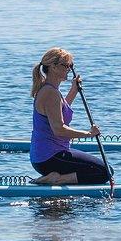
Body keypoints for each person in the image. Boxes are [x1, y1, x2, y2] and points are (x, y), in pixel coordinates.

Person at [30, 47, 111, 185]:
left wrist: (73, 90)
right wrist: (89, 134)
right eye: (66, 65)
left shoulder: (51, 90)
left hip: (46, 156)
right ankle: (57, 179)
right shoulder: (51, 93)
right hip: (49, 158)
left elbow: (59, 111)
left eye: (70, 66)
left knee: (105, 170)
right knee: (104, 172)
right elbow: (59, 129)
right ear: (54, 67)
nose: (69, 69)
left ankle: (57, 177)